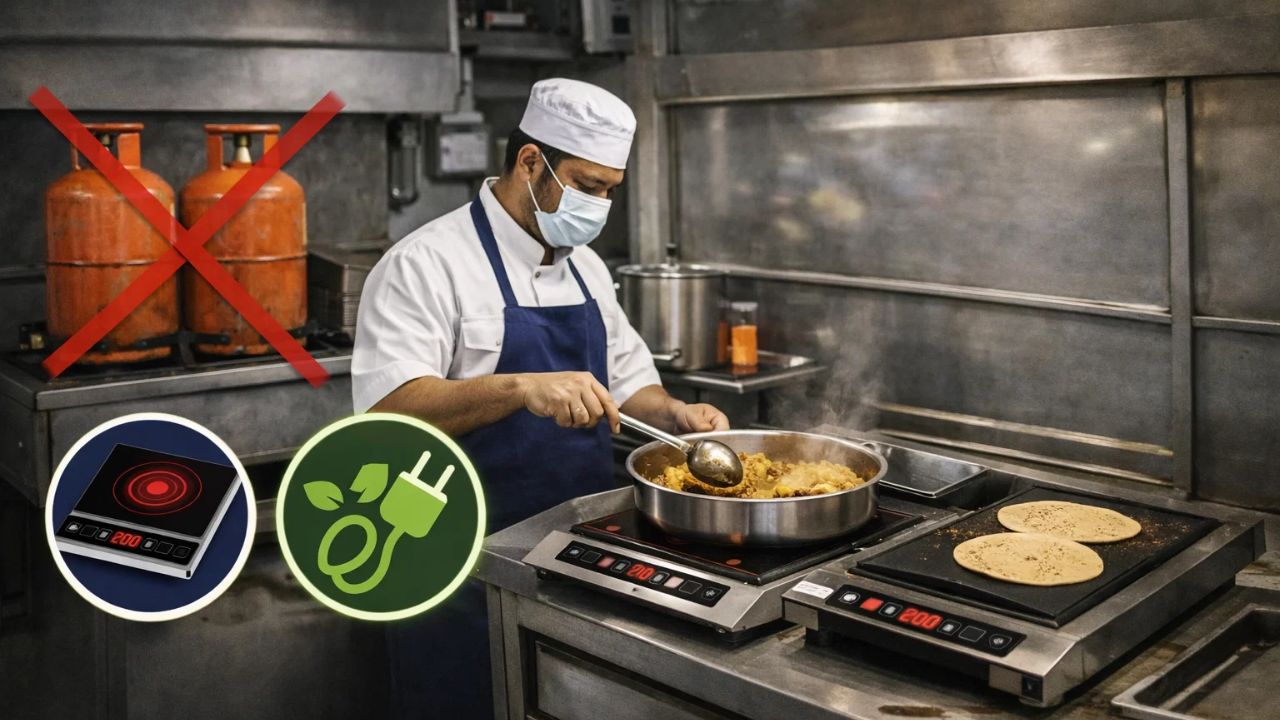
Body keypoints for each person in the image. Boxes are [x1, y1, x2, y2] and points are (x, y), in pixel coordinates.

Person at [351, 78, 730, 719]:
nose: (600, 205)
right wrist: (520, 389)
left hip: (572, 556)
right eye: (588, 185)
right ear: (531, 162)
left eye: (611, 190)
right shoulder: (426, 262)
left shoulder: (584, 264)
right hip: (455, 565)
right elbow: (388, 413)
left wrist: (677, 416)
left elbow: (628, 381)